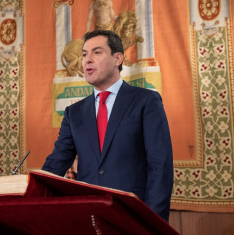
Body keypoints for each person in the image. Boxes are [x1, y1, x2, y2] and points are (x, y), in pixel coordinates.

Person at [42, 30, 173, 222]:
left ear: (117, 58)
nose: (87, 60)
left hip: (134, 216)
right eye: (84, 54)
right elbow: (55, 165)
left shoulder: (146, 101)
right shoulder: (74, 113)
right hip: (89, 219)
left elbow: (160, 166)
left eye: (97, 52)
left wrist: (153, 222)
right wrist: (26, 191)